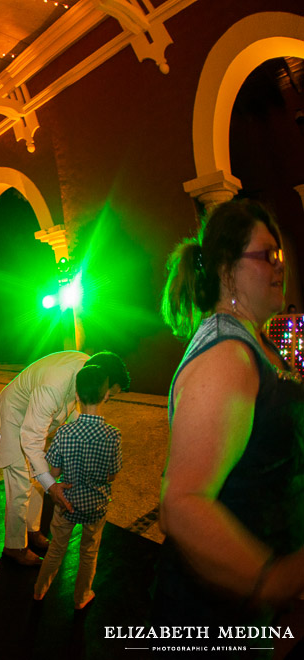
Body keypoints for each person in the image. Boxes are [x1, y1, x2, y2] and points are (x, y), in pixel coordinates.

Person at [154, 199, 304, 637]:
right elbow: (181, 507)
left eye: (279, 255)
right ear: (226, 269)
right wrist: (274, 579)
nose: (279, 267)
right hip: (214, 617)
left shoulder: (255, 340)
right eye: (265, 256)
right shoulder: (227, 357)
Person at [0, 350, 130, 566]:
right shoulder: (54, 384)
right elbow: (31, 437)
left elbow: (73, 410)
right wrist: (52, 486)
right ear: (103, 383)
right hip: (12, 420)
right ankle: (15, 546)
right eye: (108, 395)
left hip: (33, 421)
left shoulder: (88, 368)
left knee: (39, 475)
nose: (106, 400)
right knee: (21, 482)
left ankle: (33, 531)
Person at [32, 365, 121, 609]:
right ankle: (82, 597)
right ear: (106, 395)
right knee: (89, 551)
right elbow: (112, 475)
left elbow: (55, 472)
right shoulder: (113, 435)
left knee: (56, 549)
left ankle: (39, 591)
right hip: (96, 505)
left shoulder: (65, 432)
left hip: (67, 503)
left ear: (78, 396)